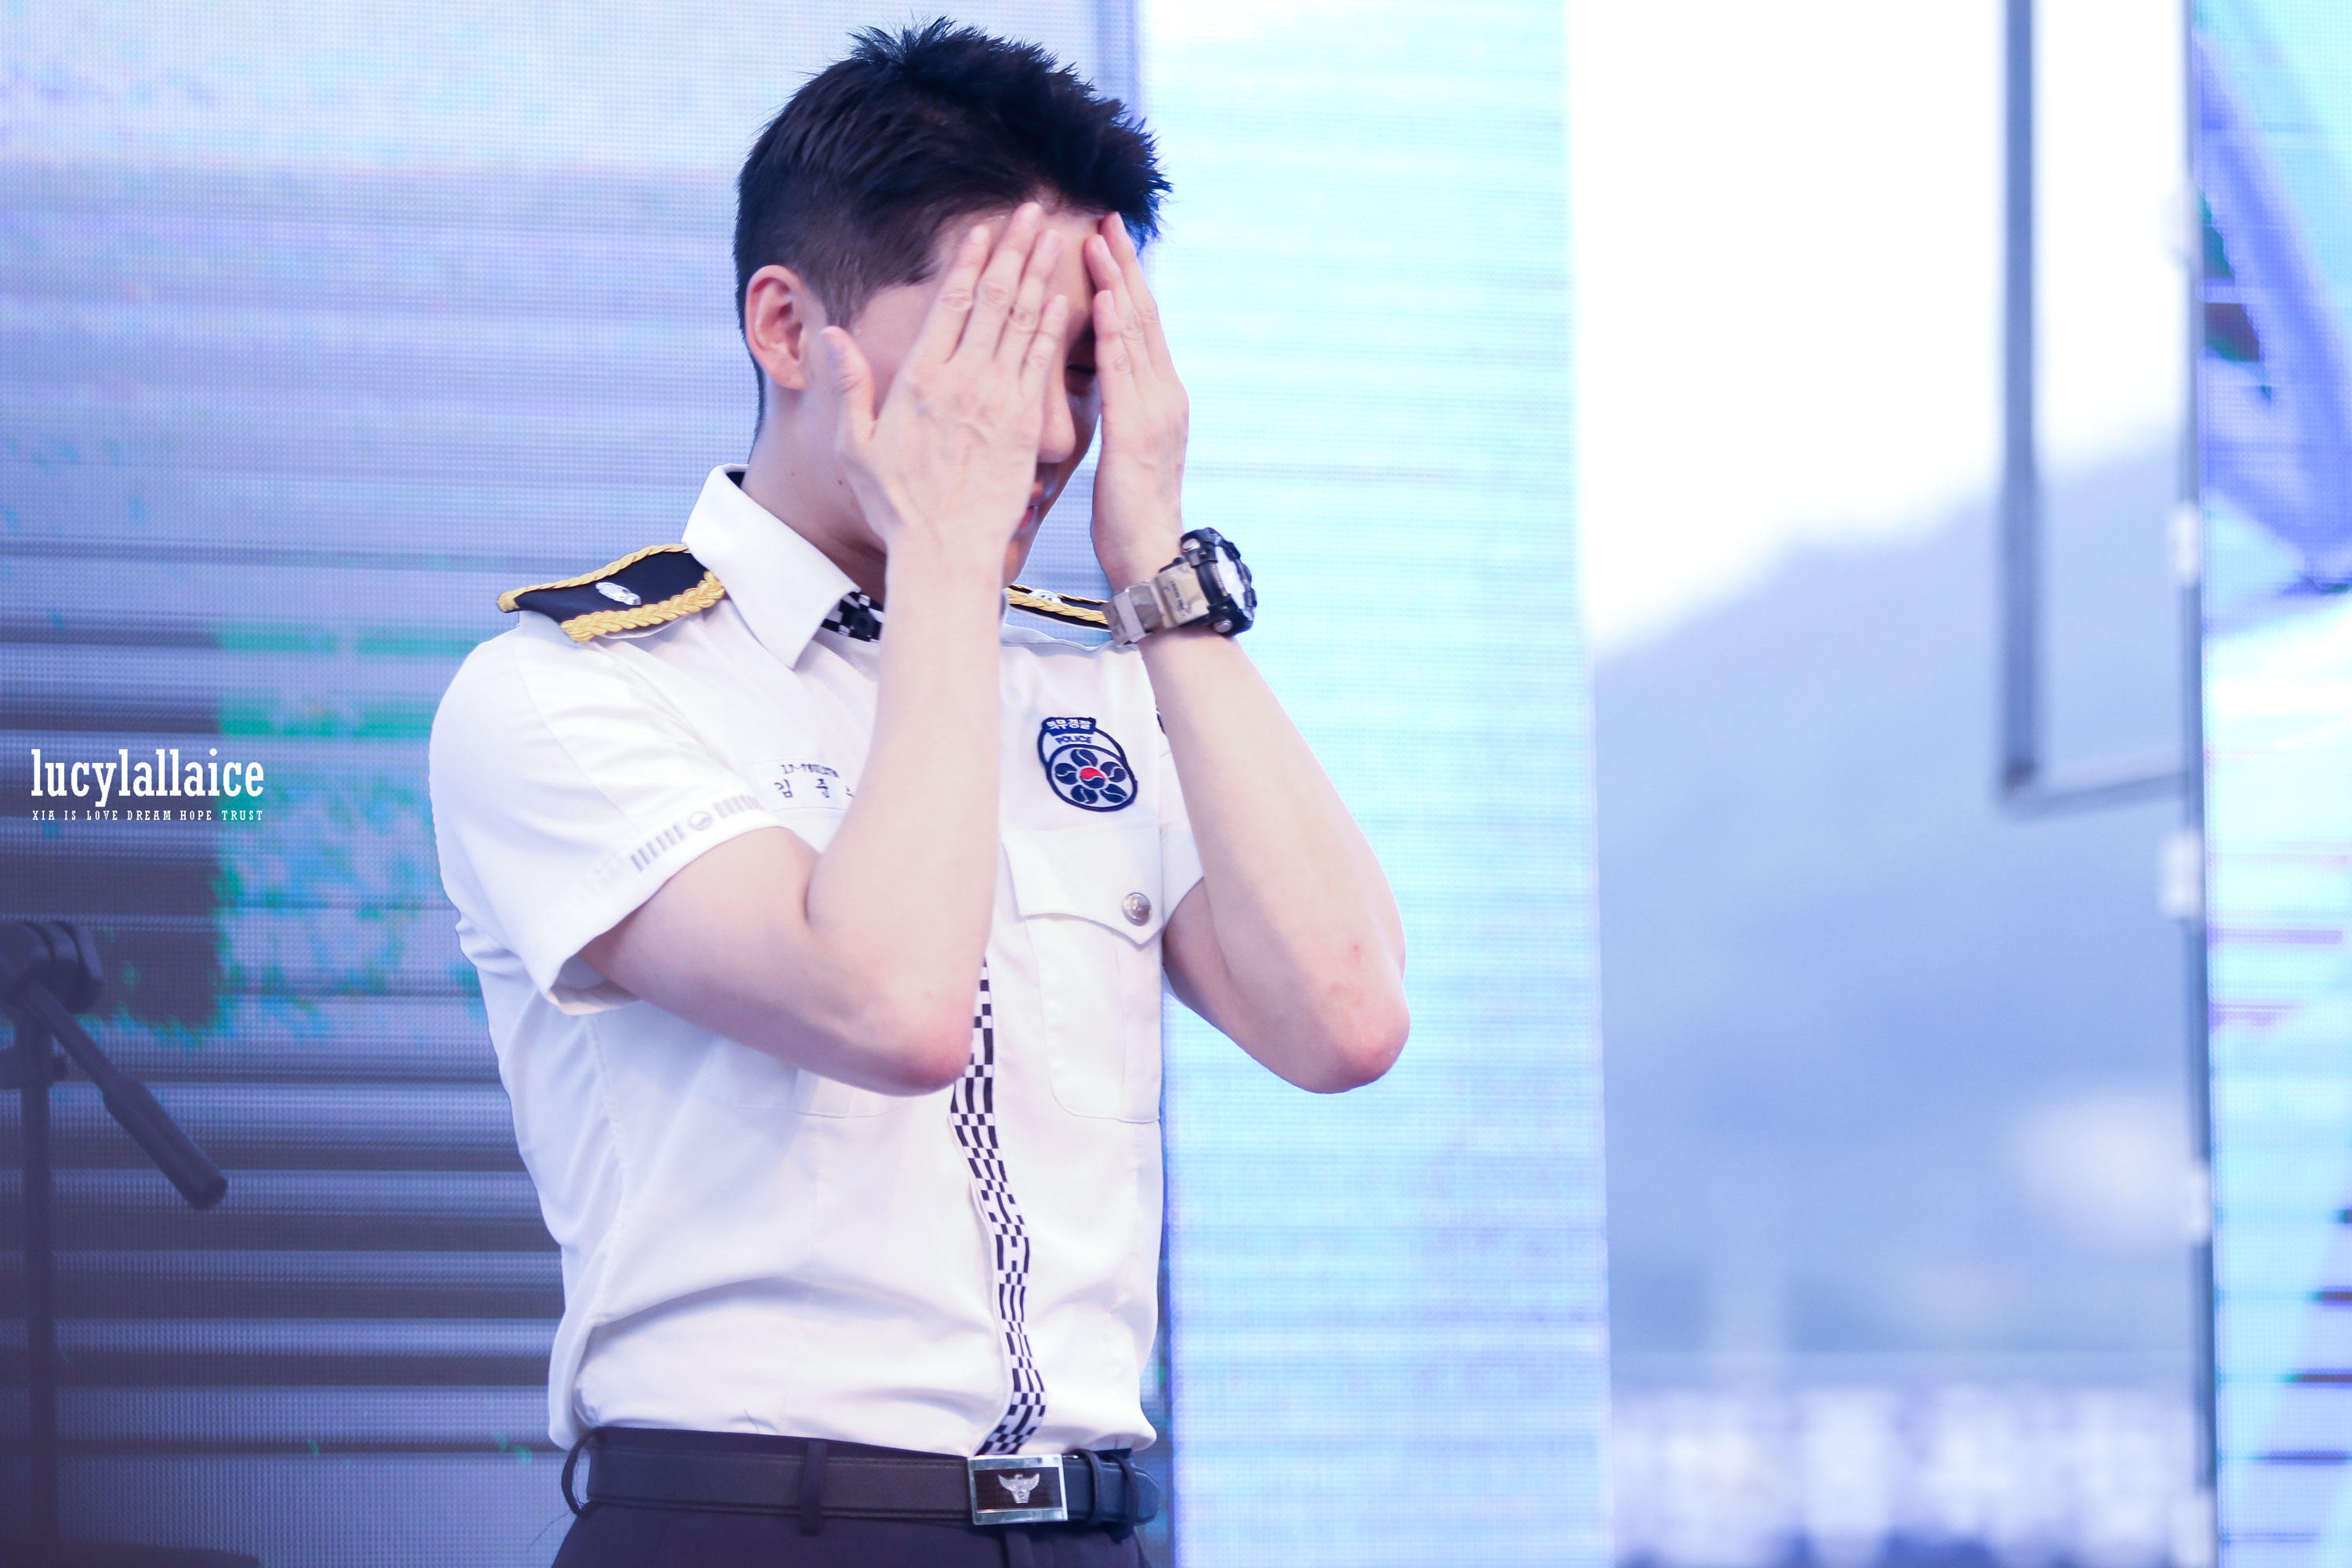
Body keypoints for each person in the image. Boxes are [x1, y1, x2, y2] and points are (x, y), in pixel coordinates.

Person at [428, 20, 1408, 1566]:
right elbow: (889, 1006)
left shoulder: (1095, 679)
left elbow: (1342, 1021)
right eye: (990, 352)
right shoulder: (571, 690)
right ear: (785, 325)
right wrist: (947, 554)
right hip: (762, 1526)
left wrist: (1160, 580)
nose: (1049, 431)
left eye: (1077, 368)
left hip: (1089, 1528)